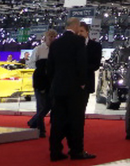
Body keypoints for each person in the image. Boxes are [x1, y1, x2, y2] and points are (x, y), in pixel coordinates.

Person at [47, 17, 94, 161]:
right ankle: (76, 151)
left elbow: (50, 67)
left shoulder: (56, 43)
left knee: (57, 121)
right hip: (74, 89)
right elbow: (81, 63)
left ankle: (55, 151)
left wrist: (54, 83)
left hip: (58, 87)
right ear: (75, 26)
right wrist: (82, 83)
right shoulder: (78, 41)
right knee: (76, 121)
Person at [27, 29, 58, 137]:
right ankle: (41, 129)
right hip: (40, 81)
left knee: (49, 105)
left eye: (54, 36)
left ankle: (33, 121)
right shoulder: (39, 49)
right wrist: (42, 68)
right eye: (50, 36)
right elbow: (31, 64)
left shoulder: (57, 50)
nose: (52, 38)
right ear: (45, 37)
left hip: (52, 82)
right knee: (41, 106)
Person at [77, 23, 102, 117]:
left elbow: (95, 65)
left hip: (87, 82)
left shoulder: (95, 46)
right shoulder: (73, 45)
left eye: (82, 31)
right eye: (78, 31)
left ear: (87, 32)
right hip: (73, 82)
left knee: (82, 108)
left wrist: (81, 68)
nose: (79, 33)